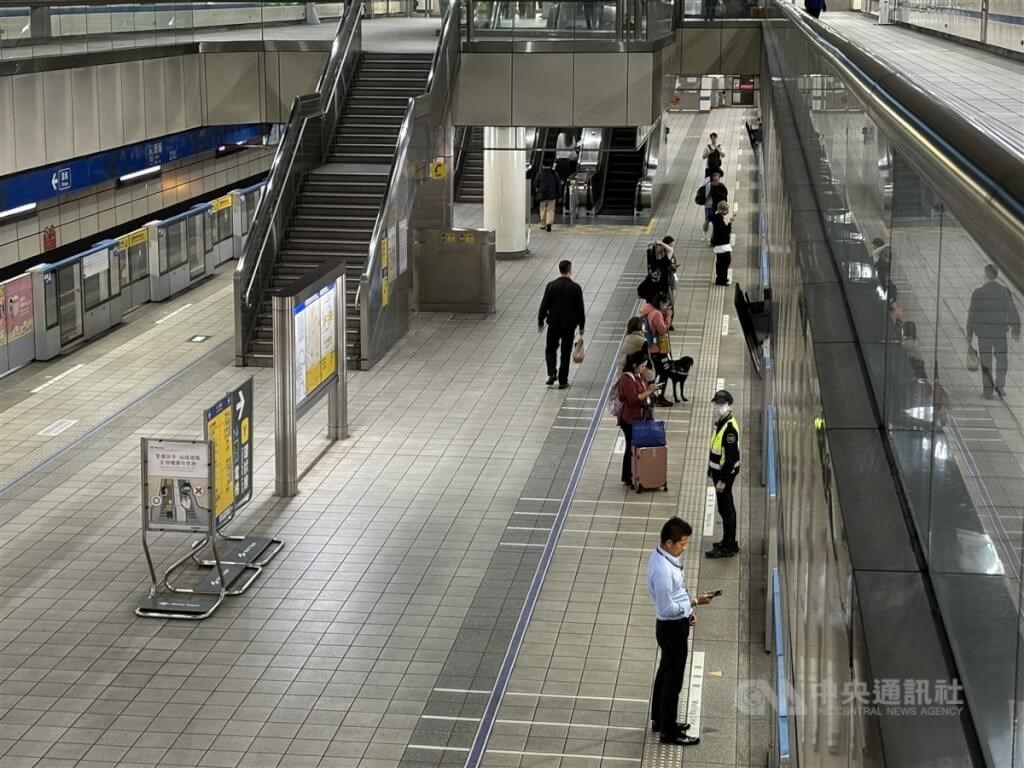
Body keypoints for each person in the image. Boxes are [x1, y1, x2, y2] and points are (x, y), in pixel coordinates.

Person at [647, 517, 715, 746]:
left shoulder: (661, 558)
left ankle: (660, 719)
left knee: (665, 671)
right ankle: (669, 731)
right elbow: (666, 607)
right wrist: (692, 603)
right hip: (671, 627)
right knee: (673, 681)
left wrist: (688, 610)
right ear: (669, 542)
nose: (684, 548)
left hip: (672, 624)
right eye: (682, 544)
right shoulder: (663, 571)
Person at [967, 264, 1020, 399]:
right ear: (997, 275)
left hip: (984, 334)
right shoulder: (1004, 291)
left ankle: (988, 391)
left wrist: (969, 335)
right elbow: (1011, 310)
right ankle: (1000, 386)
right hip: (999, 333)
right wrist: (1016, 327)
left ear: (985, 274)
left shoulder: (978, 293)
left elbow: (971, 315)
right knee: (1002, 359)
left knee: (986, 362)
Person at [538, 259, 586, 390]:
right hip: (569, 326)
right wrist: (581, 326)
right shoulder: (576, 288)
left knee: (550, 349)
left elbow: (544, 304)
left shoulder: (551, 286)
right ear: (570, 270)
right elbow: (580, 308)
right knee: (565, 352)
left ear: (560, 270)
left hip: (553, 324)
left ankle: (552, 373)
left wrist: (540, 320)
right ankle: (563, 380)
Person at [617, 352, 662, 486]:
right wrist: (649, 391)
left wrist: (651, 392)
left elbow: (643, 391)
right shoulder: (626, 379)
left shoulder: (639, 376)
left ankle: (636, 473)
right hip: (630, 419)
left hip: (641, 418)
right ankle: (628, 476)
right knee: (631, 447)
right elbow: (633, 399)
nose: (644, 369)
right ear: (635, 365)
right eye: (642, 366)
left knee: (637, 446)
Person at [706, 389, 741, 559]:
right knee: (725, 508)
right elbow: (716, 449)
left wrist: (723, 481)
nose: (718, 407)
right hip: (718, 473)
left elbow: (731, 457)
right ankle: (729, 542)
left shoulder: (729, 430)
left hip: (725, 475)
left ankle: (728, 546)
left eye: (722, 404)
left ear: (730, 406)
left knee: (726, 510)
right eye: (716, 403)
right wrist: (710, 468)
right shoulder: (720, 422)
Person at [639, 293, 674, 408]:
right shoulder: (657, 314)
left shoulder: (648, 310)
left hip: (650, 348)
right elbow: (663, 329)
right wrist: (668, 316)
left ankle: (651, 394)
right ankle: (659, 396)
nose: (667, 308)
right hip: (656, 349)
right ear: (660, 303)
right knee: (664, 371)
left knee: (656, 372)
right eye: (666, 305)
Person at [618, 318, 655, 385]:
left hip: (624, 368)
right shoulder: (642, 340)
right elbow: (647, 360)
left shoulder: (627, 337)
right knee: (651, 376)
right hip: (637, 370)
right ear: (640, 328)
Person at [709, 201, 736, 286]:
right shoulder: (719, 219)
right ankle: (721, 280)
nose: (726, 212)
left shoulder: (716, 217)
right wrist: (730, 222)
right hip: (722, 246)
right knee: (725, 262)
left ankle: (721, 278)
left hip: (720, 245)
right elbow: (725, 231)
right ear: (721, 210)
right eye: (725, 210)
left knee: (721, 263)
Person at [534, 163, 561, 233]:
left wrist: (538, 189)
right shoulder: (555, 174)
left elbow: (535, 184)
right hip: (552, 195)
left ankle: (543, 224)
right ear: (551, 166)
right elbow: (558, 185)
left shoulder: (540, 173)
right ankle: (549, 223)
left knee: (542, 209)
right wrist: (559, 195)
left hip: (542, 195)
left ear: (543, 166)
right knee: (551, 210)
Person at [701, 170, 729, 235]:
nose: (716, 177)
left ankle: (716, 235)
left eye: (717, 176)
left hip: (719, 206)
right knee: (708, 220)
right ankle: (705, 232)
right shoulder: (708, 186)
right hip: (710, 206)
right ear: (712, 177)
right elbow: (705, 196)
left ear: (719, 177)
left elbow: (725, 196)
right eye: (714, 176)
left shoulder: (722, 186)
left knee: (718, 221)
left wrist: (724, 205)